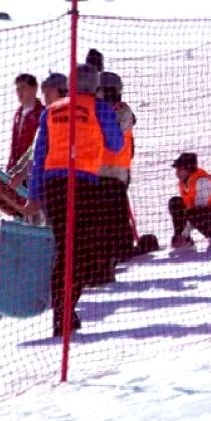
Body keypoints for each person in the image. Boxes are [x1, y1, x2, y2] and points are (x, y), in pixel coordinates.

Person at [25, 63, 123, 336]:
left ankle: (62, 312)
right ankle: (65, 311)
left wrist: (34, 195)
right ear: (95, 86)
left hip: (53, 184)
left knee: (64, 247)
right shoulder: (99, 107)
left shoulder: (51, 111)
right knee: (80, 252)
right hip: (83, 183)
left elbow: (39, 156)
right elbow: (116, 144)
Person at [95, 71, 136, 277]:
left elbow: (112, 135)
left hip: (117, 171)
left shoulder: (122, 110)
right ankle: (112, 250)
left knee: (115, 211)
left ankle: (121, 249)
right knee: (105, 213)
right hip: (101, 170)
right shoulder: (103, 110)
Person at [168, 153, 211, 251]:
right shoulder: (184, 182)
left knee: (193, 214)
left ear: (188, 170)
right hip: (204, 213)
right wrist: (179, 234)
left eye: (179, 169)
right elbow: (188, 207)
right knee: (175, 202)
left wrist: (184, 234)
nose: (176, 172)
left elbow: (197, 212)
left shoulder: (202, 182)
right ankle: (186, 243)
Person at [10, 73, 44, 168]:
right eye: (18, 89)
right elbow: (14, 144)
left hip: (35, 167)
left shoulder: (42, 113)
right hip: (17, 168)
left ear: (34, 89)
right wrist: (11, 166)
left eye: (23, 87)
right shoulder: (18, 114)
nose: (20, 92)